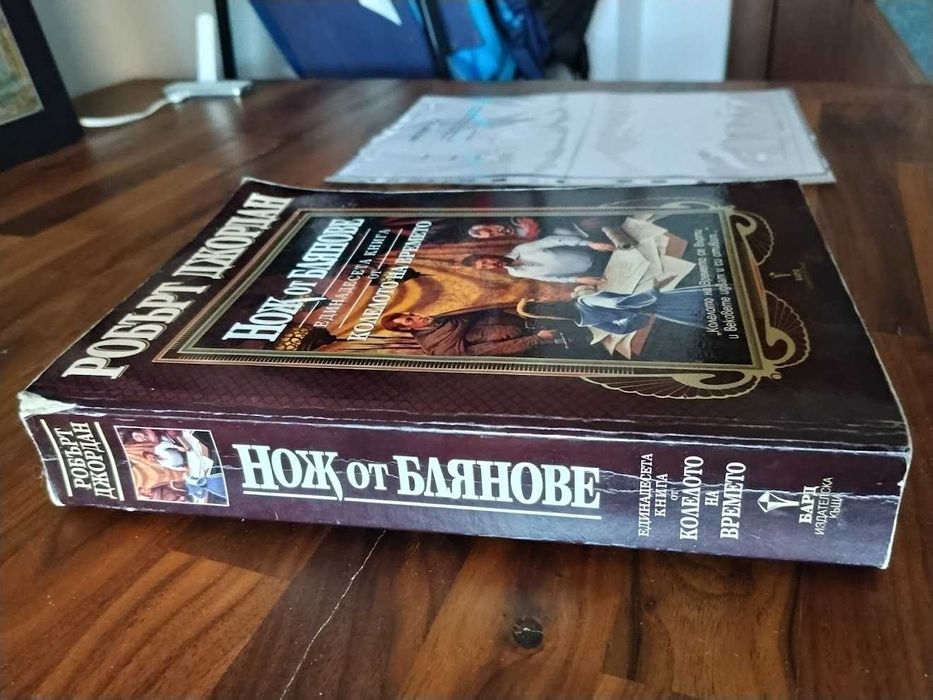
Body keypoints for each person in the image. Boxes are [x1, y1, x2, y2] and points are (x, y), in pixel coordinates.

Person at [518, 287, 712, 335]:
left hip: (657, 311)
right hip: (660, 302)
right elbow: (618, 304)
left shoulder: (582, 321)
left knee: (707, 314)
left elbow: (619, 329)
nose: (544, 297)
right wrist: (650, 293)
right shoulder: (583, 302)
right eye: (539, 300)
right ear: (543, 305)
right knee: (709, 299)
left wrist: (639, 317)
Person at [382, 309, 559, 356]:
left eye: (412, 314)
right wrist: (535, 339)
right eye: (409, 320)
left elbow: (489, 310)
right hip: (538, 343)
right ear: (407, 329)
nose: (417, 316)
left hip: (532, 321)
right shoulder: (437, 345)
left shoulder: (447, 315)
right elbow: (490, 351)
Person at [463, 233, 615, 285]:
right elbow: (548, 278)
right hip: (593, 271)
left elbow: (555, 240)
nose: (490, 265)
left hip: (596, 253)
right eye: (485, 267)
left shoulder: (521, 249)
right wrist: (578, 280)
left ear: (488, 255)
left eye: (485, 261)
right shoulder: (515, 273)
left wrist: (589, 243)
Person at [467, 217, 540, 240]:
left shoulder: (516, 218)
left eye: (490, 230)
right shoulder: (517, 238)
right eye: (492, 235)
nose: (496, 233)